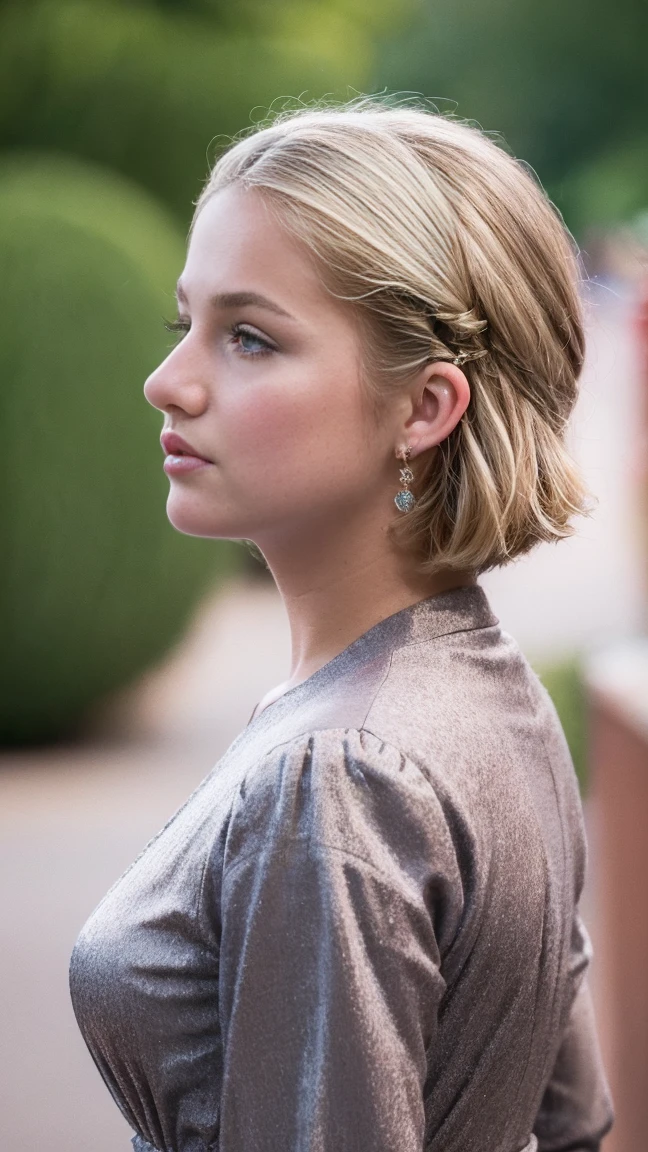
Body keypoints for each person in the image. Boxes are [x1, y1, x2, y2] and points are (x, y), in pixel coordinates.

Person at [68, 95, 614, 1152]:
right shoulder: (494, 694)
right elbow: (575, 1121)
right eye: (186, 324)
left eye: (251, 338)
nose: (167, 381)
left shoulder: (338, 774)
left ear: (425, 408)